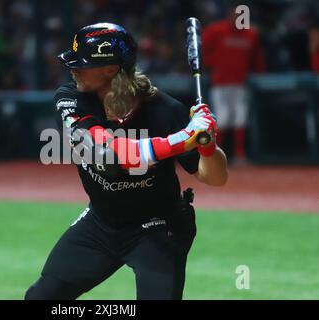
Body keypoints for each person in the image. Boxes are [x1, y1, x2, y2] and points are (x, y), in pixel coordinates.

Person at [25, 23, 228, 300]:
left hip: (158, 226)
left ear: (110, 69)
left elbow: (215, 177)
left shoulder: (165, 110)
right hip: (102, 222)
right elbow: (108, 154)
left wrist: (207, 144)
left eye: (81, 64)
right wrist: (185, 137)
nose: (72, 69)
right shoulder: (71, 98)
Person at [202, 5, 266, 163]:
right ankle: (217, 155)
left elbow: (257, 58)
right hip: (220, 83)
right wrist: (210, 66)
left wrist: (259, 72)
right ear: (230, 14)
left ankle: (239, 155)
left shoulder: (251, 34)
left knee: (240, 118)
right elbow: (201, 50)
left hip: (240, 83)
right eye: (236, 14)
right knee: (221, 119)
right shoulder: (216, 30)